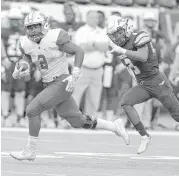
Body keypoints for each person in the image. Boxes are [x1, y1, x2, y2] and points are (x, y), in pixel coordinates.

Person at [10, 11, 129, 161]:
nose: (33, 30)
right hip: (49, 84)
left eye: (36, 26)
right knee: (77, 121)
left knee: (32, 110)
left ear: (44, 25)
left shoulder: (54, 37)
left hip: (62, 81)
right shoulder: (26, 43)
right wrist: (22, 66)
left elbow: (78, 51)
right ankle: (114, 126)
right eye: (29, 27)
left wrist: (77, 70)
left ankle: (30, 150)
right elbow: (27, 56)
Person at [107, 17, 179, 154]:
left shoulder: (140, 36)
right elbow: (130, 65)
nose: (116, 37)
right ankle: (144, 136)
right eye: (114, 35)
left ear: (126, 29)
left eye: (118, 33)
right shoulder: (119, 47)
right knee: (126, 102)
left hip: (157, 81)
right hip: (143, 84)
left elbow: (142, 56)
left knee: (177, 115)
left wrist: (122, 51)